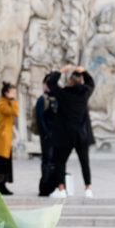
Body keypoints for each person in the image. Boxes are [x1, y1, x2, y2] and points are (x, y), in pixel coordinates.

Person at [45, 64, 95, 199]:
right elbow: (91, 83)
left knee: (60, 161)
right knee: (84, 162)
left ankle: (61, 189)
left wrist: (61, 70)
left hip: (65, 134)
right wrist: (84, 71)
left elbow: (50, 83)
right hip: (81, 134)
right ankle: (88, 189)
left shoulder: (63, 94)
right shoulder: (84, 94)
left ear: (70, 82)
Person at [0, 82, 18, 195]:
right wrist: (13, 100)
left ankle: (2, 184)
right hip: (3, 138)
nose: (14, 95)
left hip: (6, 137)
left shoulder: (4, 102)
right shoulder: (2, 104)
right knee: (2, 162)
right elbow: (14, 111)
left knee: (4, 162)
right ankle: (1, 185)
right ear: (6, 93)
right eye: (12, 92)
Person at [34, 75, 58, 197]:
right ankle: (45, 187)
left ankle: (54, 186)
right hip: (47, 136)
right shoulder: (42, 100)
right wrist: (46, 134)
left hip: (57, 136)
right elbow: (39, 119)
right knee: (47, 161)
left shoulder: (57, 98)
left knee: (56, 162)